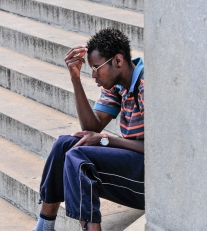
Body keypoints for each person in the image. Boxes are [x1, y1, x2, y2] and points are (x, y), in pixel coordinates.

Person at [33, 28, 145, 231]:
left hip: (154, 180)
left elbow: (162, 150)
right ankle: (44, 226)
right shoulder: (118, 85)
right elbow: (91, 127)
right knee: (64, 145)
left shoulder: (147, 86)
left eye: (97, 67)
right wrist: (75, 79)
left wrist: (107, 140)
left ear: (118, 61)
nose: (93, 74)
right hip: (135, 168)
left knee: (78, 157)